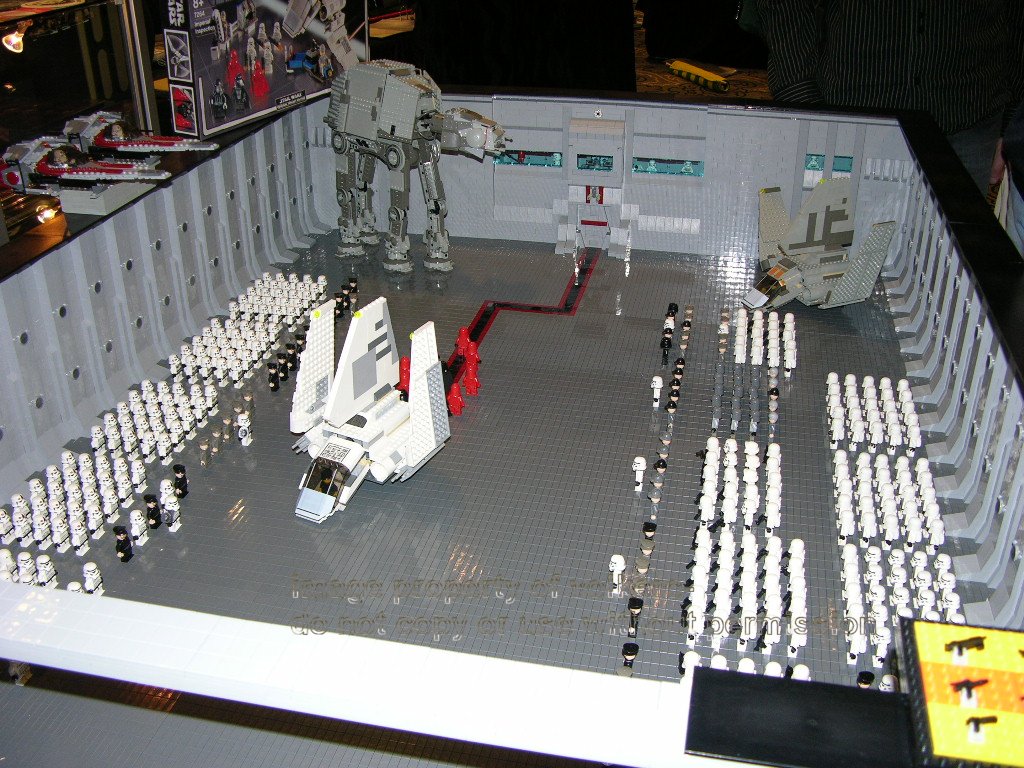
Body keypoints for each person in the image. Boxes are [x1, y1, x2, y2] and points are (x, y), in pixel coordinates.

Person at [757, 1, 1024, 195]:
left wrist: (1014, 121)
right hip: (853, 116)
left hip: (970, 112)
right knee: (840, 248)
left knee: (953, 254)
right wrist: (800, 95)